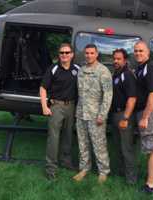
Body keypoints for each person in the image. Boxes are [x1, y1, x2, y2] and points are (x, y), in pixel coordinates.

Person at [73, 44, 112, 184]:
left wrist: (102, 114)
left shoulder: (103, 71)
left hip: (96, 115)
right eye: (87, 53)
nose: (89, 55)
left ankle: (103, 171)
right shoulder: (81, 70)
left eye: (91, 53)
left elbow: (108, 94)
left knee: (99, 144)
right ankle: (84, 168)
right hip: (81, 113)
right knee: (82, 143)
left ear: (97, 54)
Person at [40, 43, 80, 180]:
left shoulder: (77, 69)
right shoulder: (53, 68)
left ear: (72, 55)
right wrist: (45, 106)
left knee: (68, 136)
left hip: (71, 106)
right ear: (59, 55)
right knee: (54, 138)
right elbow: (43, 88)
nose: (64, 55)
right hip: (56, 106)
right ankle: (51, 169)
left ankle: (66, 162)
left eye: (67, 52)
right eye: (62, 53)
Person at [134, 41, 153, 194]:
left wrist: (145, 117)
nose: (138, 53)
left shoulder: (151, 68)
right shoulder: (141, 68)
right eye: (136, 51)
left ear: (148, 52)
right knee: (149, 146)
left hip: (149, 113)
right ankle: (151, 177)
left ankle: (150, 185)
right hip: (144, 112)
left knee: (152, 149)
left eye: (141, 50)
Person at [111, 48, 137, 184]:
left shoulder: (127, 74)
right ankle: (121, 172)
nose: (115, 61)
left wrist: (125, 118)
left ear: (125, 60)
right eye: (114, 58)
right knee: (118, 146)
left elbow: (132, 98)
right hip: (115, 114)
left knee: (126, 148)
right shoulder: (116, 74)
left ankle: (131, 179)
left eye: (118, 59)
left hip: (124, 115)